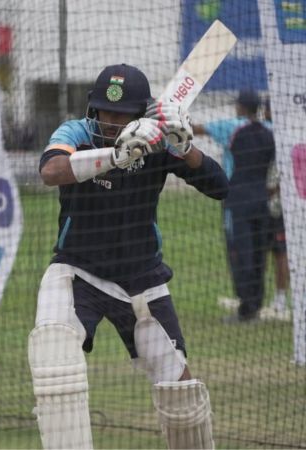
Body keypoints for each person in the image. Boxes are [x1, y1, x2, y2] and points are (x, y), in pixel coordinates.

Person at [28, 64, 228, 449]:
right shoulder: (77, 132)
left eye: (121, 115)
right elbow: (51, 171)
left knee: (179, 390)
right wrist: (113, 156)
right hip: (77, 271)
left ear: (141, 113)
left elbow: (220, 188)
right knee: (54, 357)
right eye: (105, 111)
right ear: (93, 110)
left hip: (142, 280)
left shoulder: (158, 142)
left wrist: (185, 149)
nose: (111, 121)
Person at [193, 90, 277, 322]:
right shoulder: (270, 130)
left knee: (240, 252)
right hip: (262, 198)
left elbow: (194, 129)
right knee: (259, 250)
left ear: (240, 107)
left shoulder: (232, 126)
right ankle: (256, 304)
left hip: (236, 199)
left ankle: (246, 308)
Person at [262, 98, 290, 319]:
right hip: (282, 206)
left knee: (280, 253)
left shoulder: (280, 137)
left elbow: (274, 182)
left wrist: (270, 191)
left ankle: (280, 300)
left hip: (279, 207)